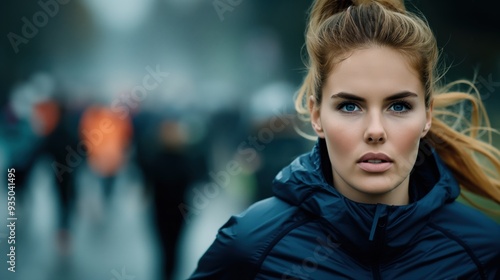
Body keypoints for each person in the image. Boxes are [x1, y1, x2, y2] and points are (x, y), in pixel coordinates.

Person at [189, 0, 500, 279]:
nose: (375, 130)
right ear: (316, 115)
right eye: (350, 106)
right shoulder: (250, 247)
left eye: (399, 106)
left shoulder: (484, 251)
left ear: (427, 116)